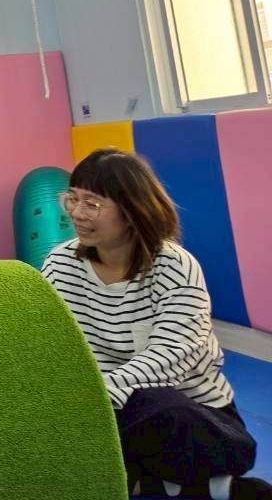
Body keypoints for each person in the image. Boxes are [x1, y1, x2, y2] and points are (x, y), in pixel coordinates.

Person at [42, 150, 270, 500]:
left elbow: (171, 358)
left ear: (132, 210)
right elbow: (49, 344)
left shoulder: (174, 266)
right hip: (101, 411)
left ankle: (132, 476)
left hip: (186, 412)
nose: (76, 212)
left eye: (92, 204)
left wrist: (91, 399)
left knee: (157, 406)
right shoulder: (60, 265)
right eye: (72, 198)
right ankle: (183, 487)